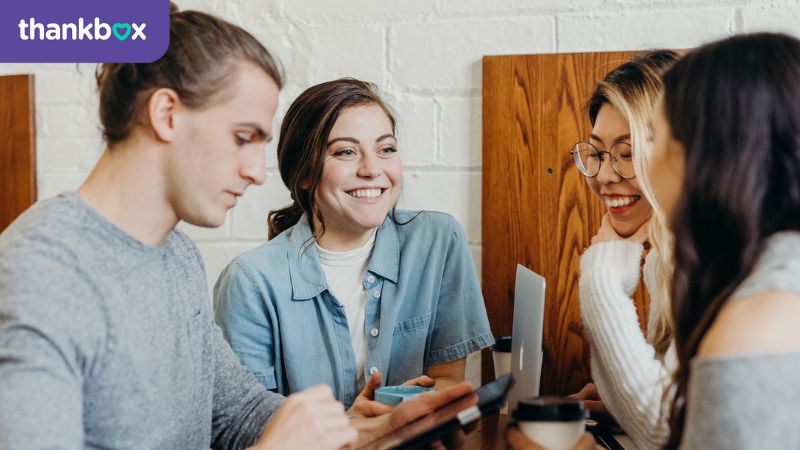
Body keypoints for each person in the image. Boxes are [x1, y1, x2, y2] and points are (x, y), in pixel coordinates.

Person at [0, 5, 473, 449]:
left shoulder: (176, 256)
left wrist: (359, 429)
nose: (256, 171)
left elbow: (237, 413)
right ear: (166, 115)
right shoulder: (40, 275)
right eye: (242, 138)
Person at [510, 32, 800, 450]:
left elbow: (670, 431)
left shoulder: (754, 318)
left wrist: (601, 285)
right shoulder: (753, 270)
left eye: (655, 139)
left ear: (711, 153)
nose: (611, 172)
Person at [214, 78, 494, 413]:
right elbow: (245, 425)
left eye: (386, 149)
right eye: (345, 152)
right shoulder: (249, 282)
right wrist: (355, 428)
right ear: (303, 173)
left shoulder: (437, 241)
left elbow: (448, 379)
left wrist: (408, 410)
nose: (372, 169)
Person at [570, 50, 679, 450]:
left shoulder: (718, 262)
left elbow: (664, 432)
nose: (603, 176)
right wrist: (618, 406)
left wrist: (601, 280)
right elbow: (667, 411)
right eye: (597, 154)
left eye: (627, 154)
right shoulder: (665, 258)